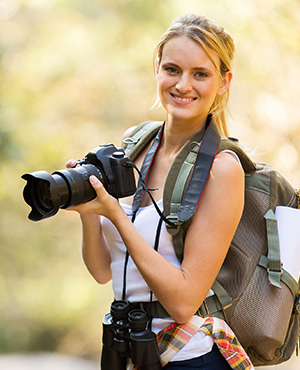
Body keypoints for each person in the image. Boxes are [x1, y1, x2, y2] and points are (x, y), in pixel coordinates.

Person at [66, 13, 253, 370]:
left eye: (200, 74)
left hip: (190, 356)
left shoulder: (222, 168)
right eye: (172, 69)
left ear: (224, 82)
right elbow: (104, 271)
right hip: (131, 351)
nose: (183, 84)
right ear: (157, 70)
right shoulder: (136, 147)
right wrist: (90, 212)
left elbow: (183, 302)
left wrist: (116, 214)